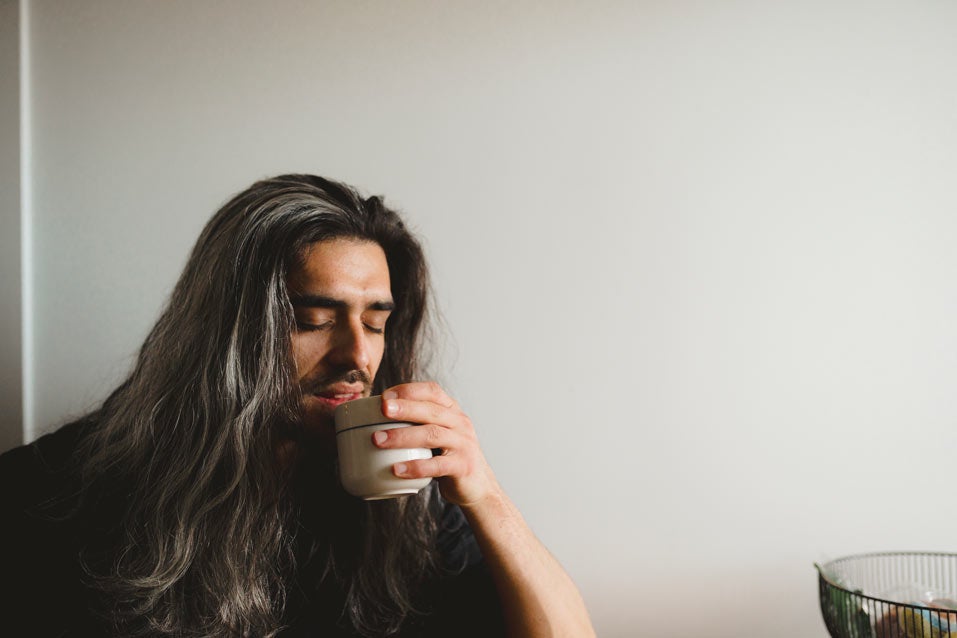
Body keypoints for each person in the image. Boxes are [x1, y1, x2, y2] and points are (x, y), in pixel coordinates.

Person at [0, 174, 595, 637]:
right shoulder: (56, 492)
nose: (358, 354)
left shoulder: (405, 504)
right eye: (315, 319)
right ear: (227, 331)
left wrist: (486, 496)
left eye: (376, 322)